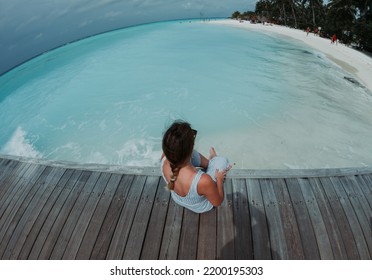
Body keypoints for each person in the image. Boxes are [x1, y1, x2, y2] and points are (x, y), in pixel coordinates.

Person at [161, 120, 232, 213]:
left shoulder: (164, 159)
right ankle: (214, 160)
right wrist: (219, 180)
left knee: (198, 158)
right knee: (222, 161)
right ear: (191, 147)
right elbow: (217, 202)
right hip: (200, 206)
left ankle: (212, 161)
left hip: (177, 198)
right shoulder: (203, 180)